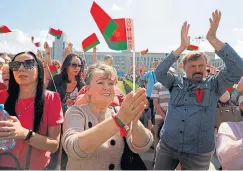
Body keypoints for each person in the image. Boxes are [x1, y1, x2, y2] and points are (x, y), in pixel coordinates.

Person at [154, 10, 243, 170]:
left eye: (201, 65)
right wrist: (181, 48)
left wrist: (213, 40)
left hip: (198, 153)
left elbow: (238, 68)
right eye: (193, 66)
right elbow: (159, 72)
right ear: (183, 67)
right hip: (168, 146)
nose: (197, 69)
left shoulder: (215, 84)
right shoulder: (175, 82)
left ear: (207, 67)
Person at [62, 63, 153, 170]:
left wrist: (135, 120)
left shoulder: (118, 111)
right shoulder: (76, 112)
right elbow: (73, 147)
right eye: (100, 82)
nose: (107, 87)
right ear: (88, 89)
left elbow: (142, 145)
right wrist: (118, 120)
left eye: (111, 83)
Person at [0, 51, 63, 170]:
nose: (21, 68)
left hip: (35, 167)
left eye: (28, 63)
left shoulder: (51, 98)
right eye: (16, 65)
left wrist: (24, 134)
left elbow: (54, 145)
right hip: (0, 165)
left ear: (38, 68)